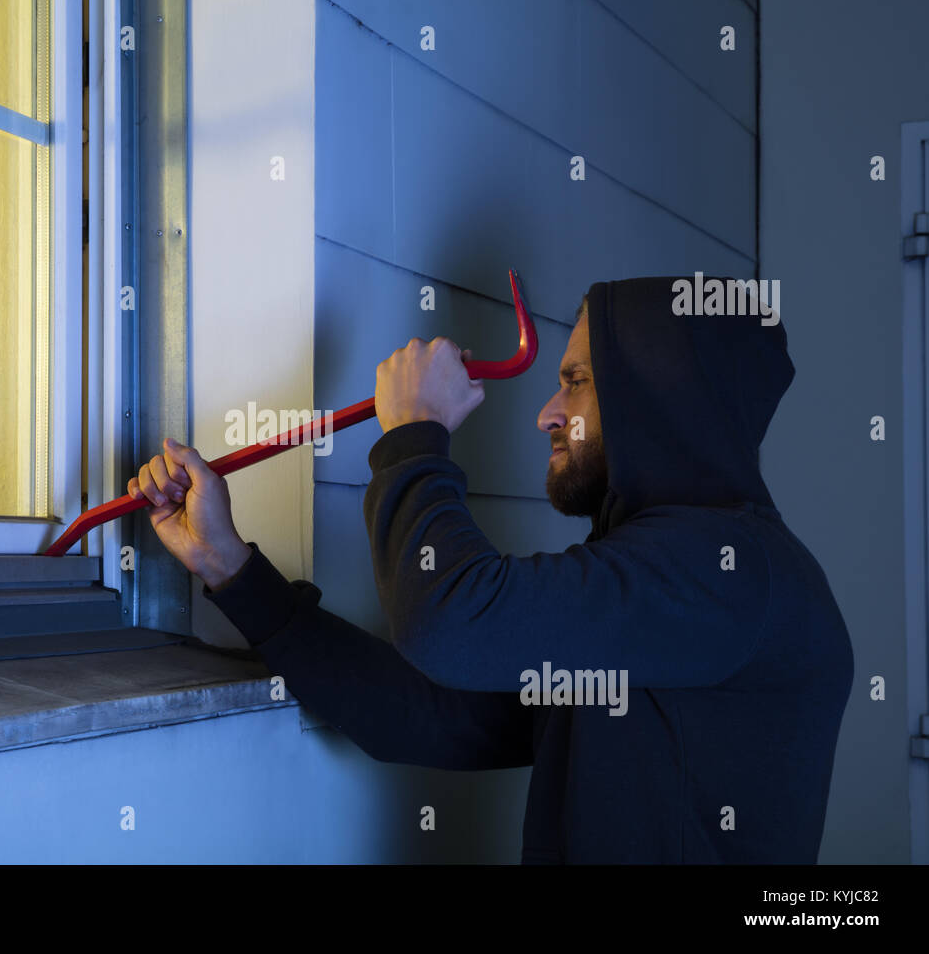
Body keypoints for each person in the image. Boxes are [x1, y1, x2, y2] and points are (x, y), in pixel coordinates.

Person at [126, 277, 853, 863]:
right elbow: (433, 715)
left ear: (656, 404)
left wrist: (415, 437)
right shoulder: (663, 586)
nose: (545, 413)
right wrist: (229, 567)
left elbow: (450, 620)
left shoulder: (729, 574)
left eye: (575, 383)